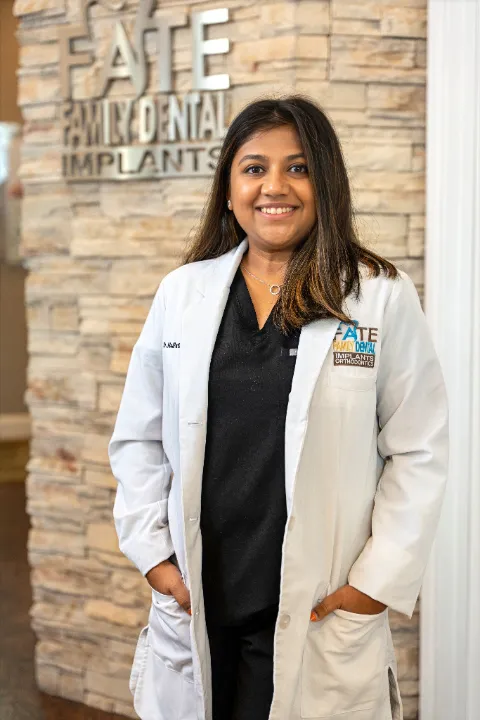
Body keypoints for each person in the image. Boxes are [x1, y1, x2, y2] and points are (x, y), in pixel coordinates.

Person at [108, 95, 448, 720]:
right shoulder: (183, 294)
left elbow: (419, 448)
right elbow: (138, 438)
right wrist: (155, 558)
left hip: (319, 607)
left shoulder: (377, 296)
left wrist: (374, 584)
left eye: (297, 168)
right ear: (230, 186)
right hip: (201, 598)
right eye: (254, 167)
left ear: (325, 182)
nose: (274, 187)